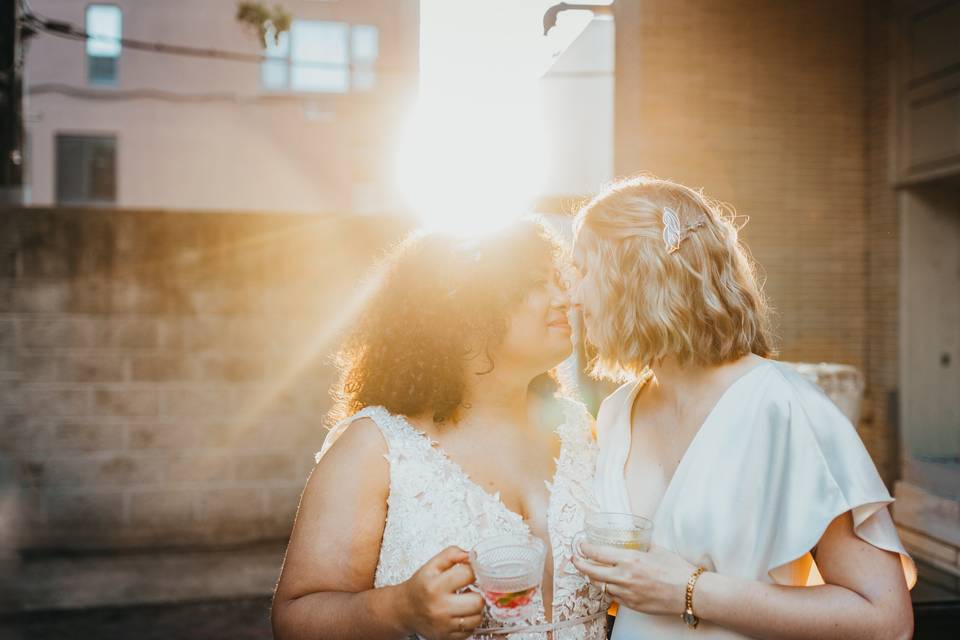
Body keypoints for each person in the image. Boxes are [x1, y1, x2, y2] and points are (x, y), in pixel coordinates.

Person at [569, 175, 915, 639]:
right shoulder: (616, 413)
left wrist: (690, 592)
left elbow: (886, 621)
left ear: (633, 274)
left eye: (584, 270)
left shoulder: (784, 408)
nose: (574, 296)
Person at [272, 221, 610, 640]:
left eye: (562, 281)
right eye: (539, 283)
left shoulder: (583, 429)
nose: (568, 299)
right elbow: (294, 619)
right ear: (466, 307)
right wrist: (399, 608)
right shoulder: (377, 447)